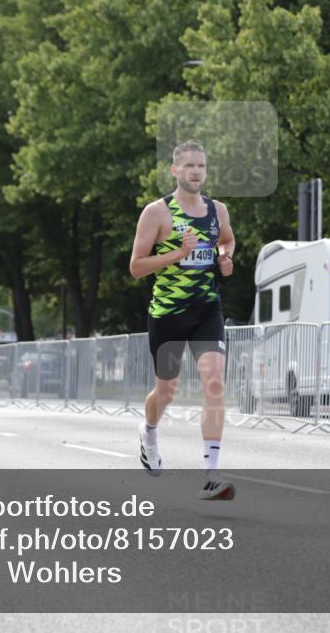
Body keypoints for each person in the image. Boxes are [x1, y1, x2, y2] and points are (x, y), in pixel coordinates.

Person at [129, 140, 236, 500]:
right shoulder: (157, 213)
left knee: (215, 382)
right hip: (168, 314)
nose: (196, 172)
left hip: (207, 308)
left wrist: (224, 258)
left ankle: (210, 475)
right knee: (167, 391)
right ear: (175, 171)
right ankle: (149, 432)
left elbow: (227, 240)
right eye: (189, 166)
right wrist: (179, 253)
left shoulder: (217, 210)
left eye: (201, 167)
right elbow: (136, 267)